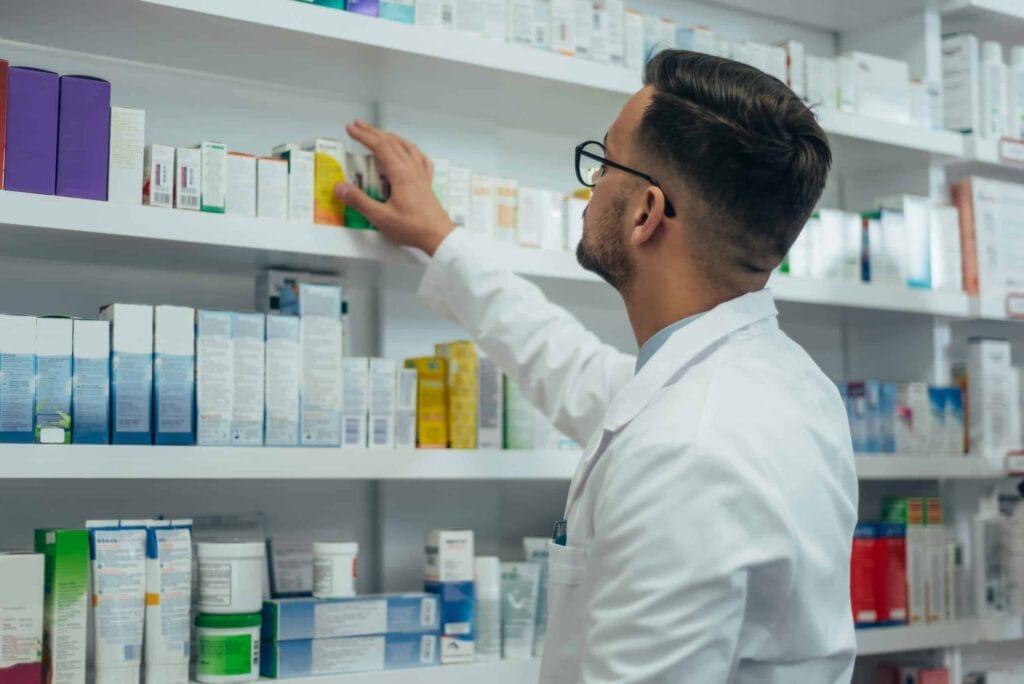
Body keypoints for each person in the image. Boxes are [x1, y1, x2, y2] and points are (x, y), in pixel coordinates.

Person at [335, 49, 858, 683]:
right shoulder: (780, 384)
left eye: (605, 161)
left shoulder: (690, 450)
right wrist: (441, 240)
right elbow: (573, 368)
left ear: (646, 213)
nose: (591, 184)